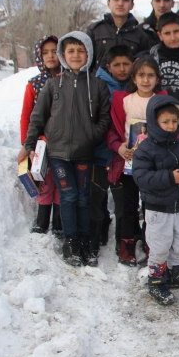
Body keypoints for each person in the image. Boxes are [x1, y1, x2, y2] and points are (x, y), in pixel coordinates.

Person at [24, 31, 111, 267]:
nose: (75, 55)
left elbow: (105, 118)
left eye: (80, 50)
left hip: (84, 153)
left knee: (83, 197)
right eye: (70, 51)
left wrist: (90, 136)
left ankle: (85, 241)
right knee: (68, 195)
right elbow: (37, 117)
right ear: (63, 55)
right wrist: (29, 144)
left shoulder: (98, 86)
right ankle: (71, 241)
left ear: (88, 54)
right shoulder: (53, 85)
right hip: (58, 154)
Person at [132, 95, 179, 306]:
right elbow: (141, 177)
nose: (171, 126)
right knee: (160, 247)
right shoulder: (145, 149)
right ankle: (156, 279)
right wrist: (171, 177)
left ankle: (175, 271)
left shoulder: (178, 145)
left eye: (174, 121)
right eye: (165, 121)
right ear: (154, 122)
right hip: (157, 209)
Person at [106, 56, 166, 266]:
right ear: (134, 78)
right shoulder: (123, 100)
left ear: (157, 78)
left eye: (150, 75)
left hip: (154, 164)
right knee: (128, 205)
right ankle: (127, 243)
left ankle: (151, 243)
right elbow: (112, 130)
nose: (146, 80)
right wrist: (119, 147)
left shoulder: (162, 101)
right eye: (141, 75)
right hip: (129, 162)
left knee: (151, 205)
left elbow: (171, 130)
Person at [17, 35, 63, 237]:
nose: (51, 56)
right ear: (39, 56)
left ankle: (60, 221)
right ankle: (42, 218)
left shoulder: (69, 79)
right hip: (41, 142)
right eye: (45, 52)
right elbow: (26, 115)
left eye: (54, 51)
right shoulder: (34, 84)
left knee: (62, 180)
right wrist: (26, 145)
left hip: (63, 140)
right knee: (42, 179)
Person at [92, 45, 134, 250]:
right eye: (117, 65)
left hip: (125, 152)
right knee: (98, 196)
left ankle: (122, 240)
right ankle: (99, 233)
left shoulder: (134, 86)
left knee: (122, 201)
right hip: (101, 149)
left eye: (126, 64)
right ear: (108, 67)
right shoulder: (98, 85)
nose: (122, 68)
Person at [87, 0, 151, 71]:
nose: (120, 3)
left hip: (129, 84)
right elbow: (86, 64)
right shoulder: (94, 31)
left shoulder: (141, 35)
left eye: (125, 0)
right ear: (108, 3)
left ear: (132, 5)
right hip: (98, 83)